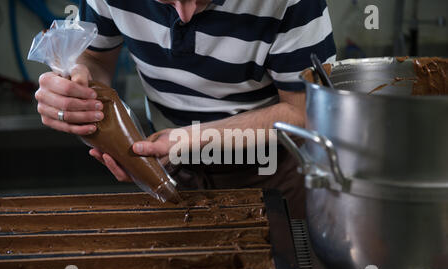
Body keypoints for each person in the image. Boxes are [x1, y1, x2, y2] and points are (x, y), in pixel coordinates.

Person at [35, 0, 336, 219]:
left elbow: (306, 113)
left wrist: (191, 140)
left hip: (274, 172)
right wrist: (76, 91)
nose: (184, 13)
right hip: (168, 170)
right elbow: (95, 60)